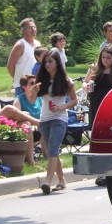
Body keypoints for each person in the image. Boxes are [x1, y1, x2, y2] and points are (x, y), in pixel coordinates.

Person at [32, 49, 78, 194]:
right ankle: (62, 180)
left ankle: (47, 181)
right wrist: (34, 91)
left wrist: (62, 106)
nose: (47, 64)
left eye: (50, 61)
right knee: (53, 151)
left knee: (52, 149)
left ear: (57, 63)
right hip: (44, 119)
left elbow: (74, 100)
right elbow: (33, 100)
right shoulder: (42, 80)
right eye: (45, 62)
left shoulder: (65, 80)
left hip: (59, 118)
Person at [85, 44, 112, 187]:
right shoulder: (96, 70)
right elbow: (86, 83)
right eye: (103, 57)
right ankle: (101, 172)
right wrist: (85, 86)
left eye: (108, 57)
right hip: (97, 106)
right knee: (98, 138)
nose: (105, 60)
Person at [7, 18, 41, 97]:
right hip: (23, 87)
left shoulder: (38, 44)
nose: (33, 29)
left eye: (34, 27)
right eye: (30, 28)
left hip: (36, 84)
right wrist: (18, 78)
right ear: (23, 30)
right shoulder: (20, 45)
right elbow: (10, 65)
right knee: (23, 109)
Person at [13, 74, 43, 164]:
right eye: (32, 83)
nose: (35, 85)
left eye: (36, 83)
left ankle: (49, 155)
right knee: (27, 125)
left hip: (39, 127)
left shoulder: (39, 99)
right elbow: (15, 119)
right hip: (26, 127)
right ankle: (31, 159)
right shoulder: (19, 100)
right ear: (24, 87)